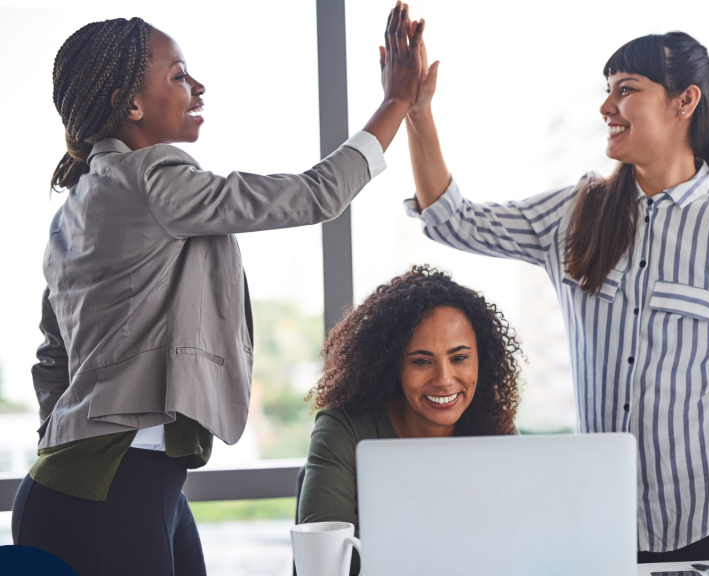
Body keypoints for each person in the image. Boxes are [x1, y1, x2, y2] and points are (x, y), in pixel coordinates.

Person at [11, 5, 424, 575]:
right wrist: (396, 103)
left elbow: (51, 358)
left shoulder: (75, 208)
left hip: (92, 484)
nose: (197, 86)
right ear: (130, 104)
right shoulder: (153, 176)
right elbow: (313, 196)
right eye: (179, 75)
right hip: (111, 491)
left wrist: (73, 444)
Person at [402, 31, 709, 561]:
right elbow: (453, 220)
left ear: (684, 102)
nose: (607, 107)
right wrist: (417, 112)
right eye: (608, 90)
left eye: (625, 89)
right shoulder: (574, 215)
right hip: (612, 515)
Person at [298, 265, 521, 574]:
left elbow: (520, 543)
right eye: (421, 361)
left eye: (459, 358)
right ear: (392, 366)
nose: (444, 379)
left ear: (481, 359)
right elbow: (325, 562)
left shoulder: (493, 426)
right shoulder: (343, 427)